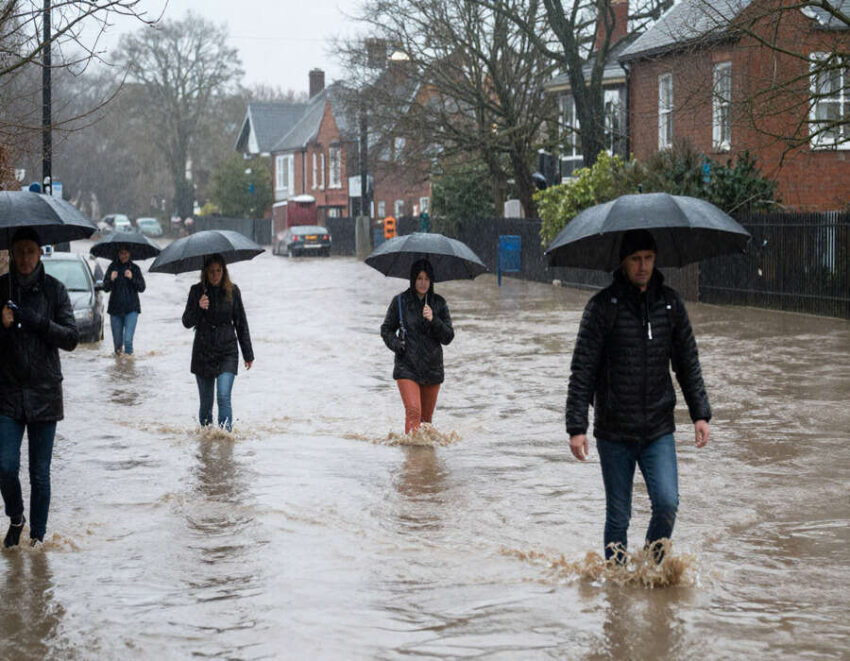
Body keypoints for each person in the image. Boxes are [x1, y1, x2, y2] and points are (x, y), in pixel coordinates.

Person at [565, 229, 711, 563]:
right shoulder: (602, 308)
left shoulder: (671, 304)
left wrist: (700, 414)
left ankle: (651, 566)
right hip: (614, 430)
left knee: (667, 503)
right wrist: (577, 426)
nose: (643, 266)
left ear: (655, 259)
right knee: (619, 516)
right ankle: (616, 590)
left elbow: (687, 363)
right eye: (635, 259)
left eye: (648, 258)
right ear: (623, 262)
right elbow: (582, 370)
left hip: (658, 428)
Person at [0, 228, 79, 548]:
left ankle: (37, 540)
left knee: (39, 473)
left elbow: (72, 338)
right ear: (11, 253)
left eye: (30, 251)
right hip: (7, 391)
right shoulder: (1, 289)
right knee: (5, 464)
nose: (24, 258)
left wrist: (37, 321)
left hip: (45, 392)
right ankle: (16, 516)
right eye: (19, 251)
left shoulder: (54, 291)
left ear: (40, 253)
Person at [381, 259, 454, 434]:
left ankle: (425, 460)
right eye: (419, 278)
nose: (423, 283)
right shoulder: (400, 302)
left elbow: (448, 337)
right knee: (413, 411)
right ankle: (412, 459)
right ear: (413, 279)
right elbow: (386, 330)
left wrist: (434, 319)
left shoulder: (439, 303)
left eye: (427, 279)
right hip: (407, 366)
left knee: (426, 423)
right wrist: (397, 344)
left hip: (432, 368)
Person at [181, 254, 253, 432]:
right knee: (206, 404)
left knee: (223, 396)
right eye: (212, 271)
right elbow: (186, 322)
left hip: (227, 350)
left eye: (219, 271)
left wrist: (248, 354)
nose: (215, 275)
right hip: (203, 351)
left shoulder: (233, 291)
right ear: (205, 272)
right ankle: (206, 440)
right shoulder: (197, 291)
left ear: (224, 271)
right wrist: (199, 307)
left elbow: (241, 322)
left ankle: (224, 440)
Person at [102, 248, 146, 355]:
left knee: (128, 341)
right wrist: (111, 279)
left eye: (125, 253)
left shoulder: (135, 268)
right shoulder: (112, 267)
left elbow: (142, 287)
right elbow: (105, 288)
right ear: (118, 254)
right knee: (117, 344)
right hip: (115, 310)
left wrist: (132, 278)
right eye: (121, 253)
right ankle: (120, 367)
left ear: (129, 254)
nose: (123, 256)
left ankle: (128, 367)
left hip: (132, 309)